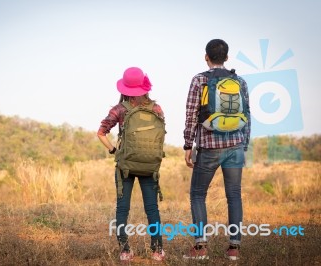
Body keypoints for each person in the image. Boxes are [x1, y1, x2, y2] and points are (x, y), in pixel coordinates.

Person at [182, 39, 251, 260]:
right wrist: (244, 144)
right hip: (235, 145)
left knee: (198, 194)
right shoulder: (239, 81)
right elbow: (247, 115)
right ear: (227, 58)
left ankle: (200, 248)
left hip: (209, 146)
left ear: (206, 57)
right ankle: (234, 249)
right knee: (234, 195)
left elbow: (192, 114)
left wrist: (187, 144)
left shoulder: (199, 80)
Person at [97, 67, 165, 262]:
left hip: (125, 165)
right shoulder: (156, 109)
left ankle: (125, 251)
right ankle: (157, 251)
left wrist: (113, 150)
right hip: (150, 166)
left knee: (122, 209)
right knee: (152, 209)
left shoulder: (120, 109)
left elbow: (101, 132)